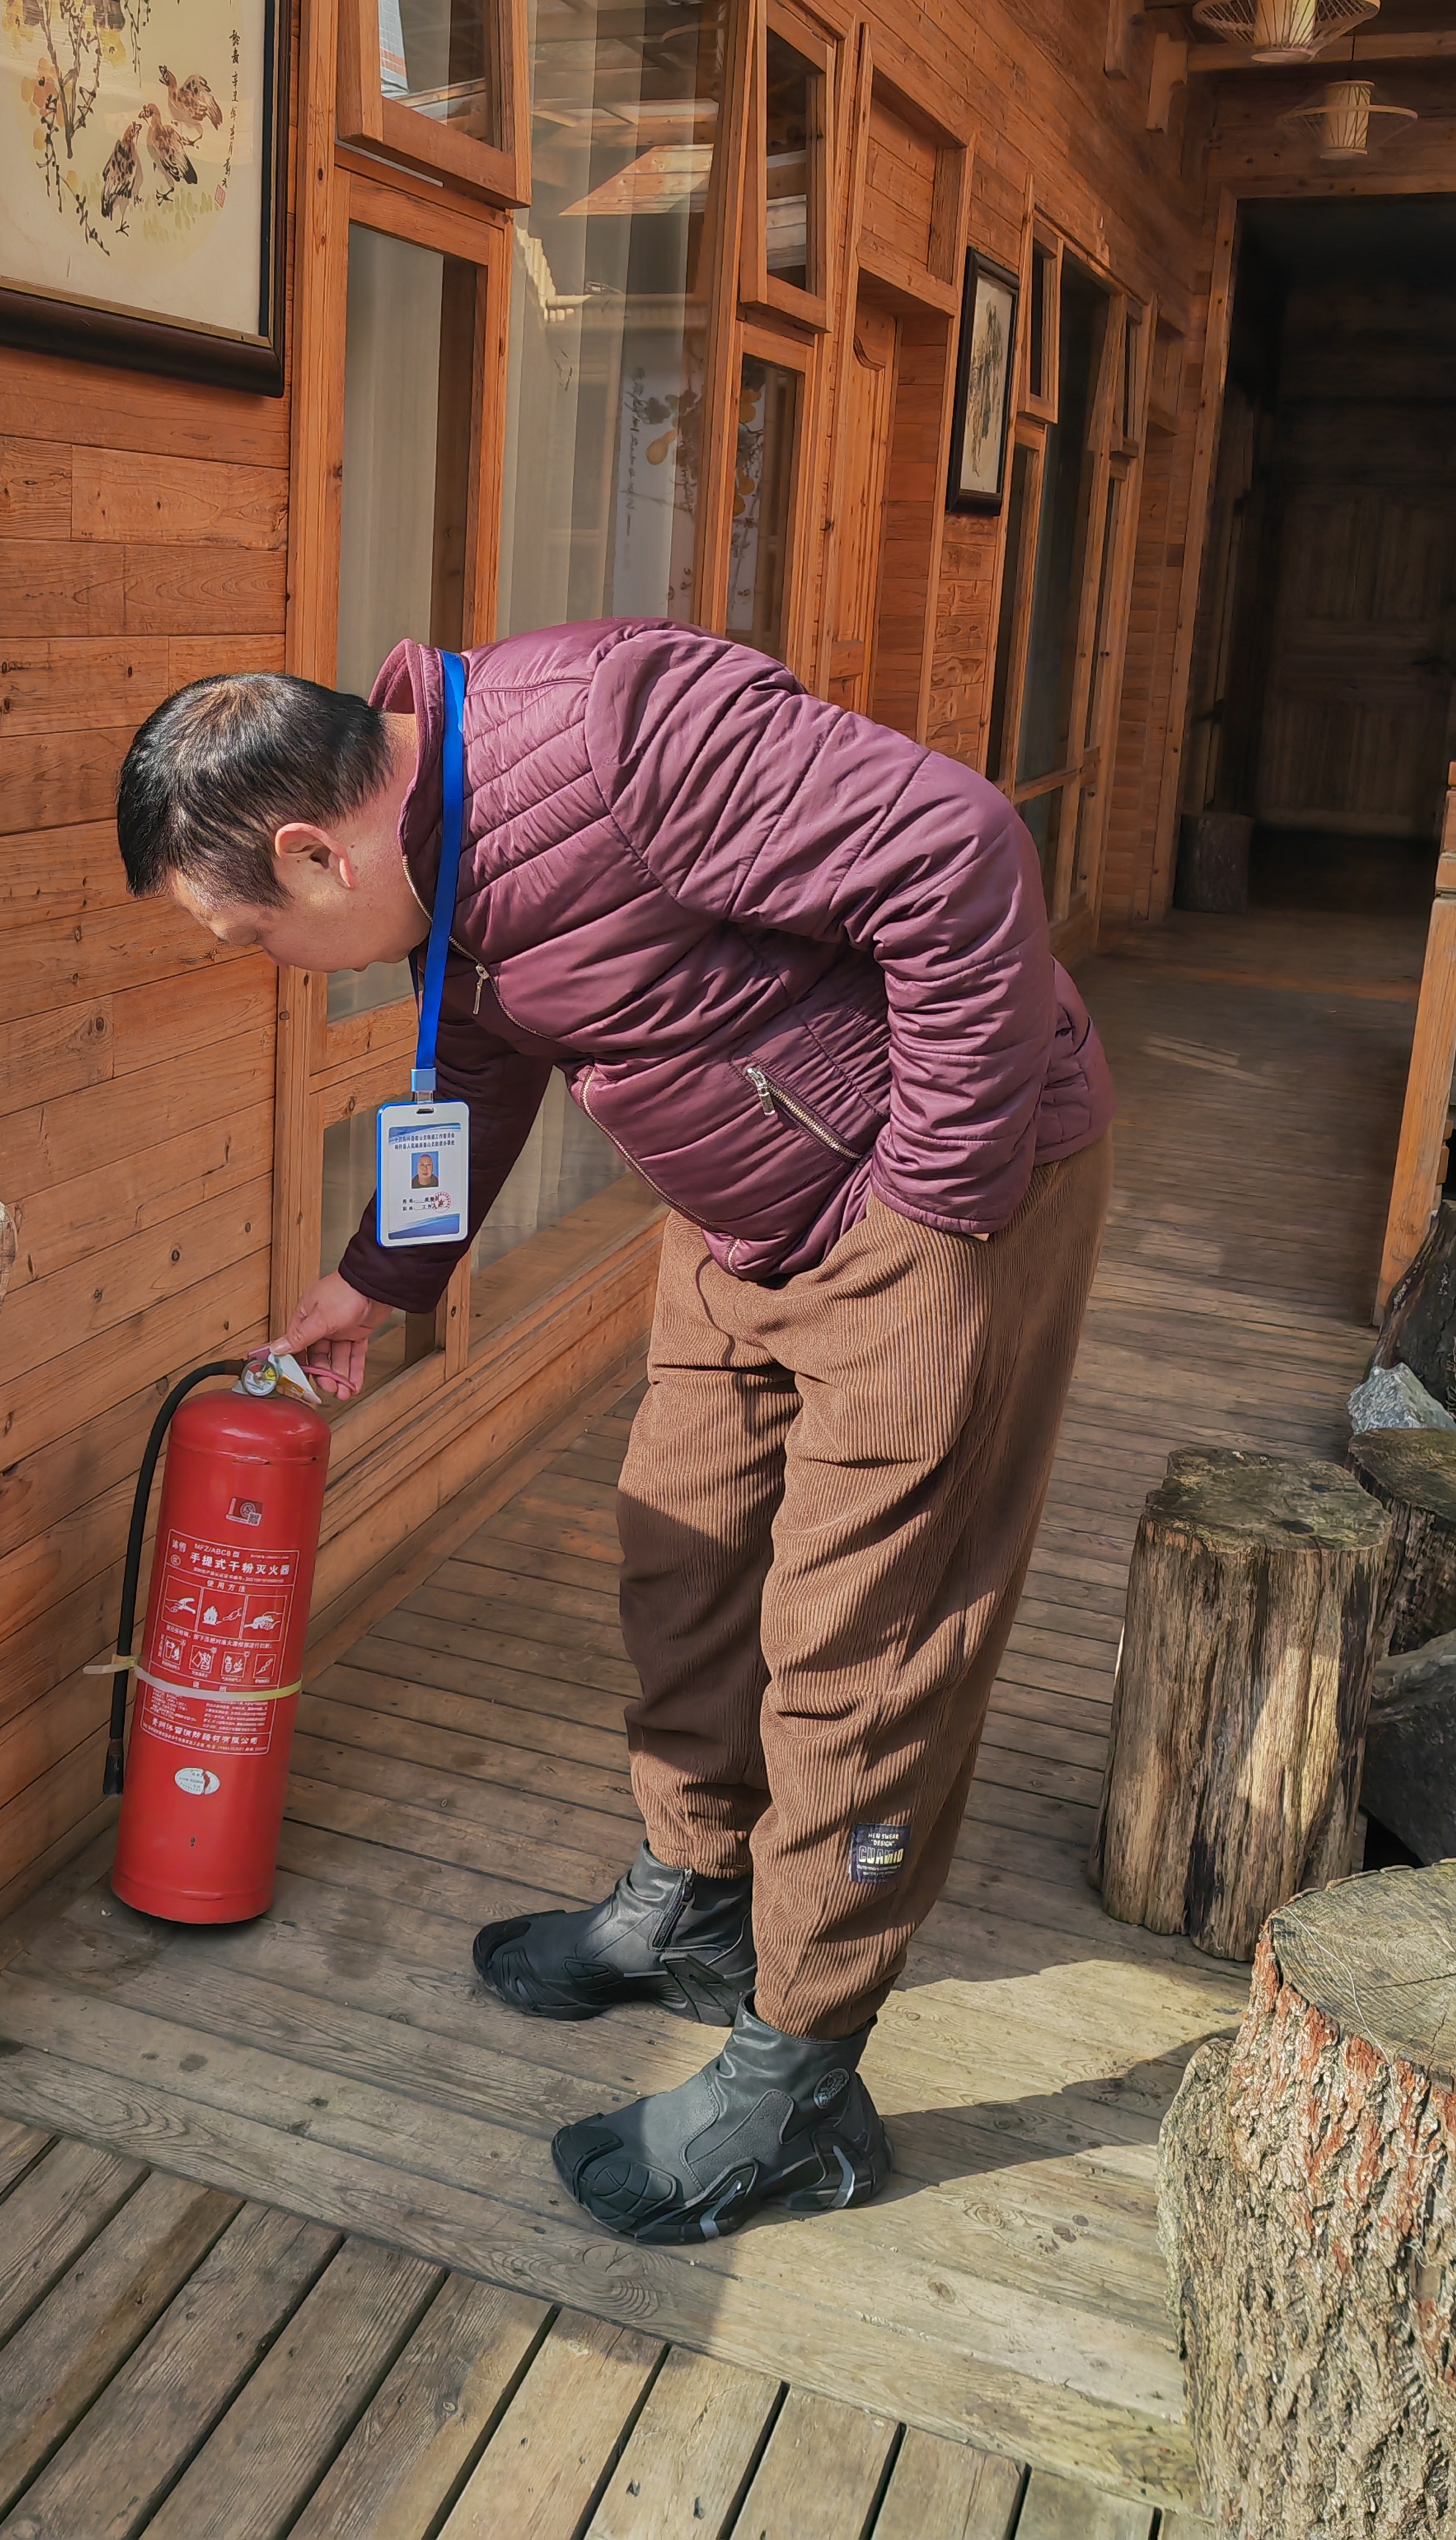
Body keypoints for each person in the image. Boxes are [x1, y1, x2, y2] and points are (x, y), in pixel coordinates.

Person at [116, 620, 1113, 2246]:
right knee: (684, 1549)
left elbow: (962, 849)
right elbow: (478, 1072)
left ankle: (800, 2072)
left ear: (313, 853)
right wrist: (378, 1278)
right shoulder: (438, 864)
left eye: (249, 934)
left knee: (859, 1638)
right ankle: (700, 1896)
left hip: (930, 1200)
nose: (264, 962)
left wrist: (937, 1195)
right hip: (738, 1213)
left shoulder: (618, 737)